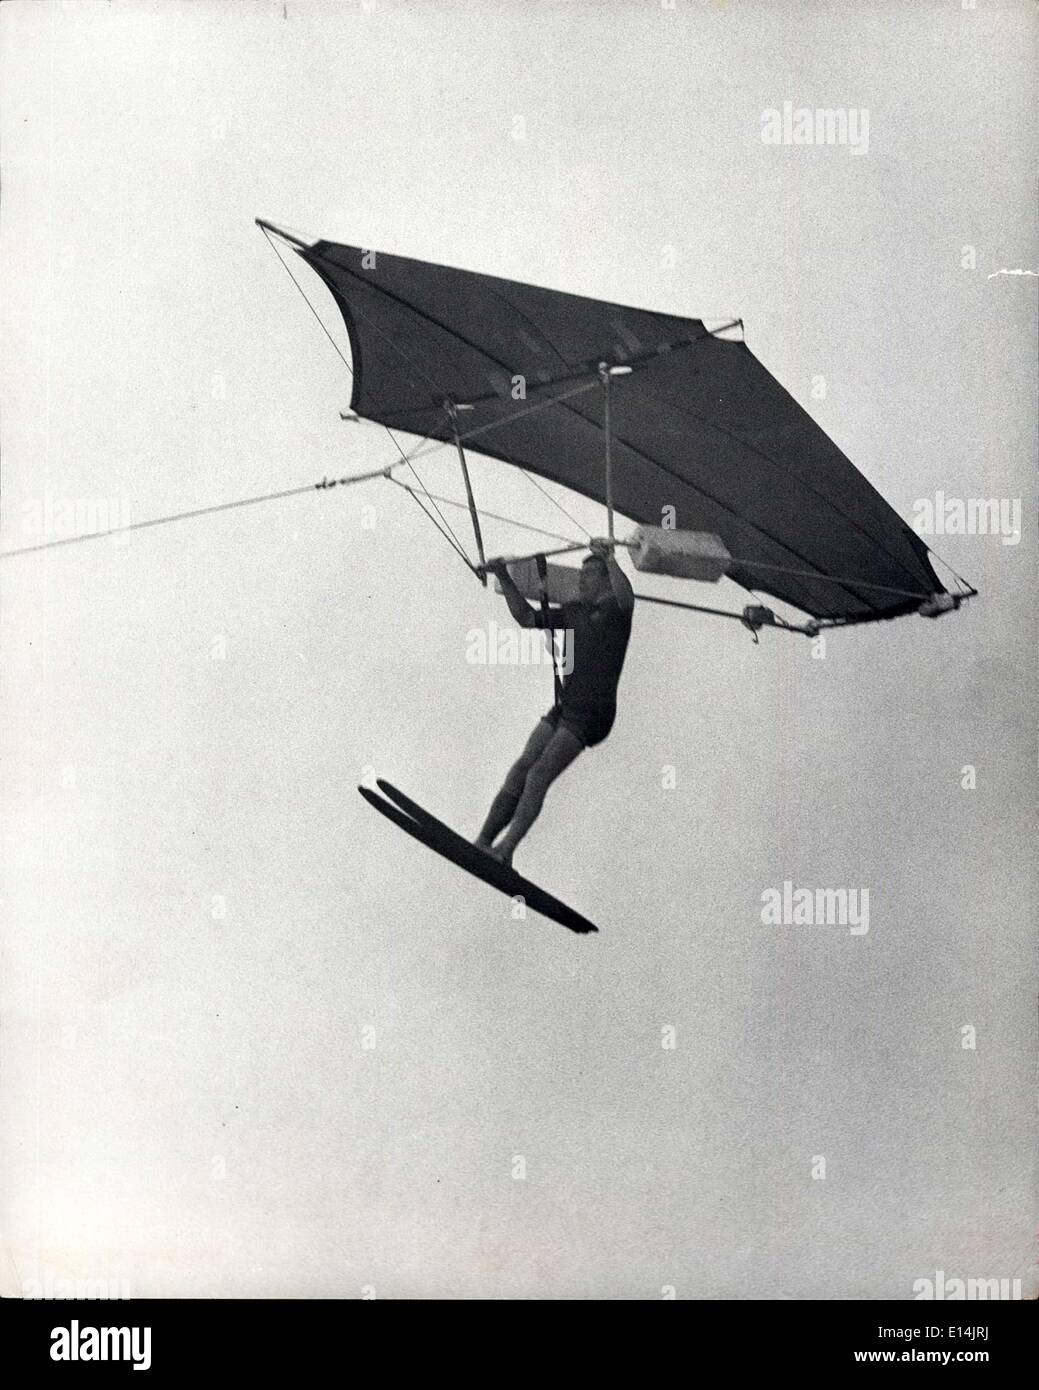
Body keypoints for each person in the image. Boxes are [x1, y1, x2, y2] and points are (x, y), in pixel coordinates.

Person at [475, 540, 634, 867]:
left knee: (538, 774)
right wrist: (504, 576)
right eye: (582, 575)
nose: (581, 581)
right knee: (523, 766)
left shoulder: (617, 612)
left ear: (605, 579)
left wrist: (610, 558)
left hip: (593, 714)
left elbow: (626, 596)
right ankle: (482, 841)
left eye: (590, 576)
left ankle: (505, 851)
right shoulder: (574, 612)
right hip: (565, 705)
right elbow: (526, 618)